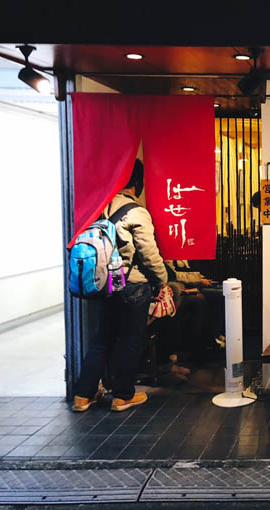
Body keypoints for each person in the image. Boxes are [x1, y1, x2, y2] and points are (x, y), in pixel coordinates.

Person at [73, 159, 168, 412]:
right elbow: (149, 253)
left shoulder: (99, 207)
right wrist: (162, 281)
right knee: (130, 340)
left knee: (102, 339)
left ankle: (83, 396)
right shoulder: (136, 212)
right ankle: (123, 395)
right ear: (137, 183)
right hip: (132, 285)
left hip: (105, 285)